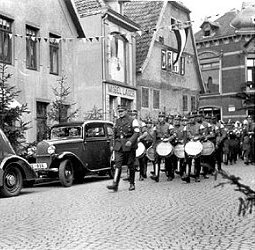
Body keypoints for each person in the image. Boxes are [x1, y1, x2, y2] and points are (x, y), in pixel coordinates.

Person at [106, 105, 140, 191]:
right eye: (119, 112)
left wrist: (131, 141)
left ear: (126, 111)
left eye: (122, 111)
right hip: (119, 145)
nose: (120, 113)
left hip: (129, 146)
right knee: (117, 164)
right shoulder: (117, 121)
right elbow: (114, 134)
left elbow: (136, 133)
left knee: (130, 164)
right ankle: (115, 184)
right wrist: (111, 145)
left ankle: (132, 183)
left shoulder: (133, 120)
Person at [150, 112, 172, 182]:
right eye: (159, 117)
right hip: (158, 143)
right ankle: (156, 175)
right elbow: (154, 137)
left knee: (168, 160)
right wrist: (153, 145)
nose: (161, 118)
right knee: (156, 160)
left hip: (166, 143)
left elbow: (173, 135)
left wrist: (168, 139)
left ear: (164, 118)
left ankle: (170, 174)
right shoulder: (156, 126)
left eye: (162, 117)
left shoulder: (169, 126)